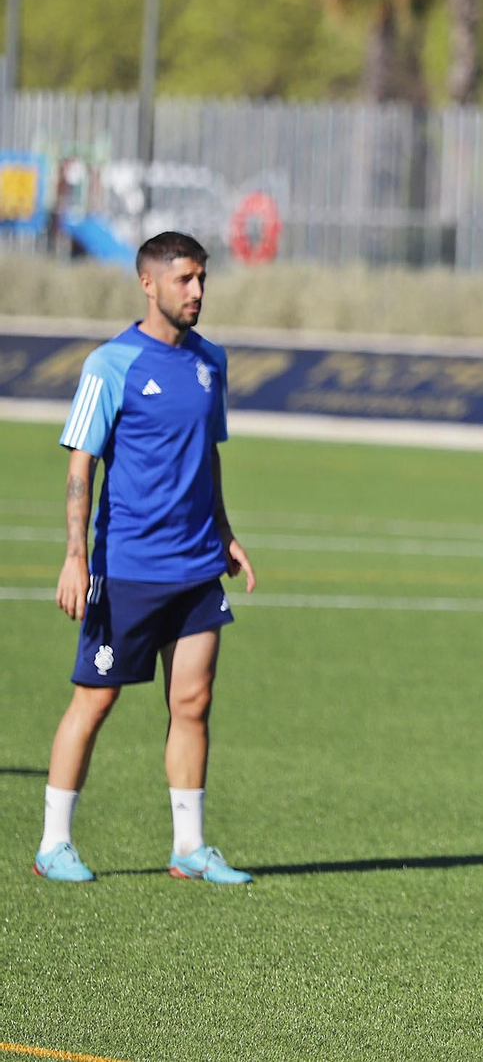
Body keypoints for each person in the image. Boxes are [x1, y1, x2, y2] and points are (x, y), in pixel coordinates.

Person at [34, 231, 257, 885]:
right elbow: (82, 464)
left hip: (196, 567)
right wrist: (76, 557)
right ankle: (54, 844)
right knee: (95, 702)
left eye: (202, 278)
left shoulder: (209, 361)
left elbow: (207, 456)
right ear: (149, 284)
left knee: (192, 700)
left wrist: (225, 530)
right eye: (185, 279)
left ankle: (189, 847)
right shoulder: (111, 364)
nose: (197, 292)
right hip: (127, 567)